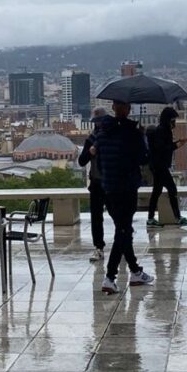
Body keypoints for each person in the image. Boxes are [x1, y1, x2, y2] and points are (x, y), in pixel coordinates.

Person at [93, 100, 155, 294]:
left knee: (123, 229)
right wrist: (143, 137)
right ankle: (110, 277)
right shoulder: (132, 133)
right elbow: (144, 159)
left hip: (109, 188)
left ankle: (135, 271)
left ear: (113, 108)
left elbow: (99, 165)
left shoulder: (101, 134)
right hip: (127, 187)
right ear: (128, 110)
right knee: (123, 231)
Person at [146, 106, 187, 228]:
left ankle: (150, 219)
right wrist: (177, 145)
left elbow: (165, 146)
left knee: (157, 192)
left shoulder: (163, 130)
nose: (174, 123)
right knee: (172, 189)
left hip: (157, 165)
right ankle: (177, 217)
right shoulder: (162, 131)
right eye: (173, 120)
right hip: (160, 166)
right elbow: (163, 148)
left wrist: (178, 142)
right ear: (168, 120)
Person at [78, 106, 108, 262]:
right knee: (96, 218)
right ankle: (98, 247)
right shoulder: (91, 139)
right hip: (97, 183)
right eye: (97, 122)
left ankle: (122, 245)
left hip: (111, 182)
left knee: (118, 216)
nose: (98, 124)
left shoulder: (112, 137)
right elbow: (81, 161)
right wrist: (90, 152)